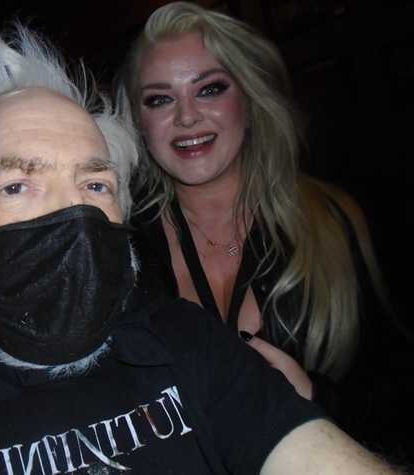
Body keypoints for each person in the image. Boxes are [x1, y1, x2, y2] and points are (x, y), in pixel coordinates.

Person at [0, 22, 404, 475]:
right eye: (16, 187)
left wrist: (314, 401)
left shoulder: (187, 335)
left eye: (95, 185)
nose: (187, 117)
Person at [116, 0, 413, 458]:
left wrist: (314, 401)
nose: (187, 117)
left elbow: (398, 396)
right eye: (159, 99)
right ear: (139, 122)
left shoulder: (337, 220)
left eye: (209, 89)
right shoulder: (121, 252)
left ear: (249, 99)